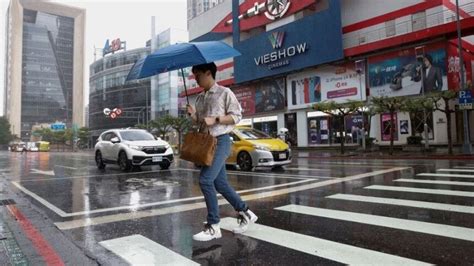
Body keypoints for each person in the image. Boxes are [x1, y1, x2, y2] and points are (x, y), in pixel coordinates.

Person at [187, 62, 258, 242]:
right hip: (207, 144)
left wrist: (216, 119)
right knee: (221, 185)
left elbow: (236, 116)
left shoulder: (224, 93)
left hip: (221, 141)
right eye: (194, 76)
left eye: (198, 75)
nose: (196, 79)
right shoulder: (200, 98)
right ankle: (246, 212)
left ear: (208, 73)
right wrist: (193, 115)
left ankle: (213, 226)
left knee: (205, 180)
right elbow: (201, 123)